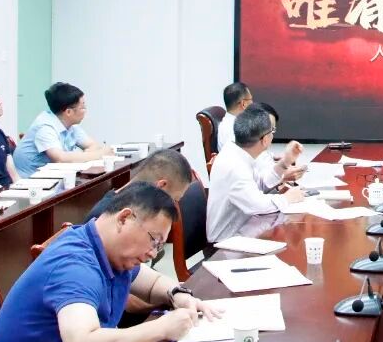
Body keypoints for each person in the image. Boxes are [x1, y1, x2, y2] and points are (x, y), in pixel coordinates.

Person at [0, 183, 220, 342]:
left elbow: (153, 284)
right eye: (154, 240)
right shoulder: (74, 266)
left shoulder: (110, 251)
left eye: (159, 246)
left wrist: (178, 294)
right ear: (124, 218)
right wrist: (161, 328)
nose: (152, 253)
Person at [206, 105, 307, 243]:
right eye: (272, 131)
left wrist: (285, 162)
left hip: (245, 229)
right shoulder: (234, 166)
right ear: (265, 140)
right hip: (226, 242)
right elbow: (256, 205)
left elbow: (261, 184)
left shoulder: (239, 152)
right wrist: (287, 198)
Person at [13, 82, 113, 177]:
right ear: (68, 112)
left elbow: (93, 145)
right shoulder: (45, 128)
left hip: (56, 179)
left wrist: (85, 155)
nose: (85, 110)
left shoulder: (70, 125)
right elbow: (60, 159)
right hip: (33, 183)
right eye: (82, 107)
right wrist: (100, 154)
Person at [85, 149, 194, 221]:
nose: (174, 205)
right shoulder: (106, 217)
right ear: (161, 186)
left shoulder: (135, 209)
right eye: (174, 199)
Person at [216, 81, 253, 152]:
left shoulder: (235, 124)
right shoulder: (232, 129)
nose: (252, 103)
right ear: (243, 104)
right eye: (251, 99)